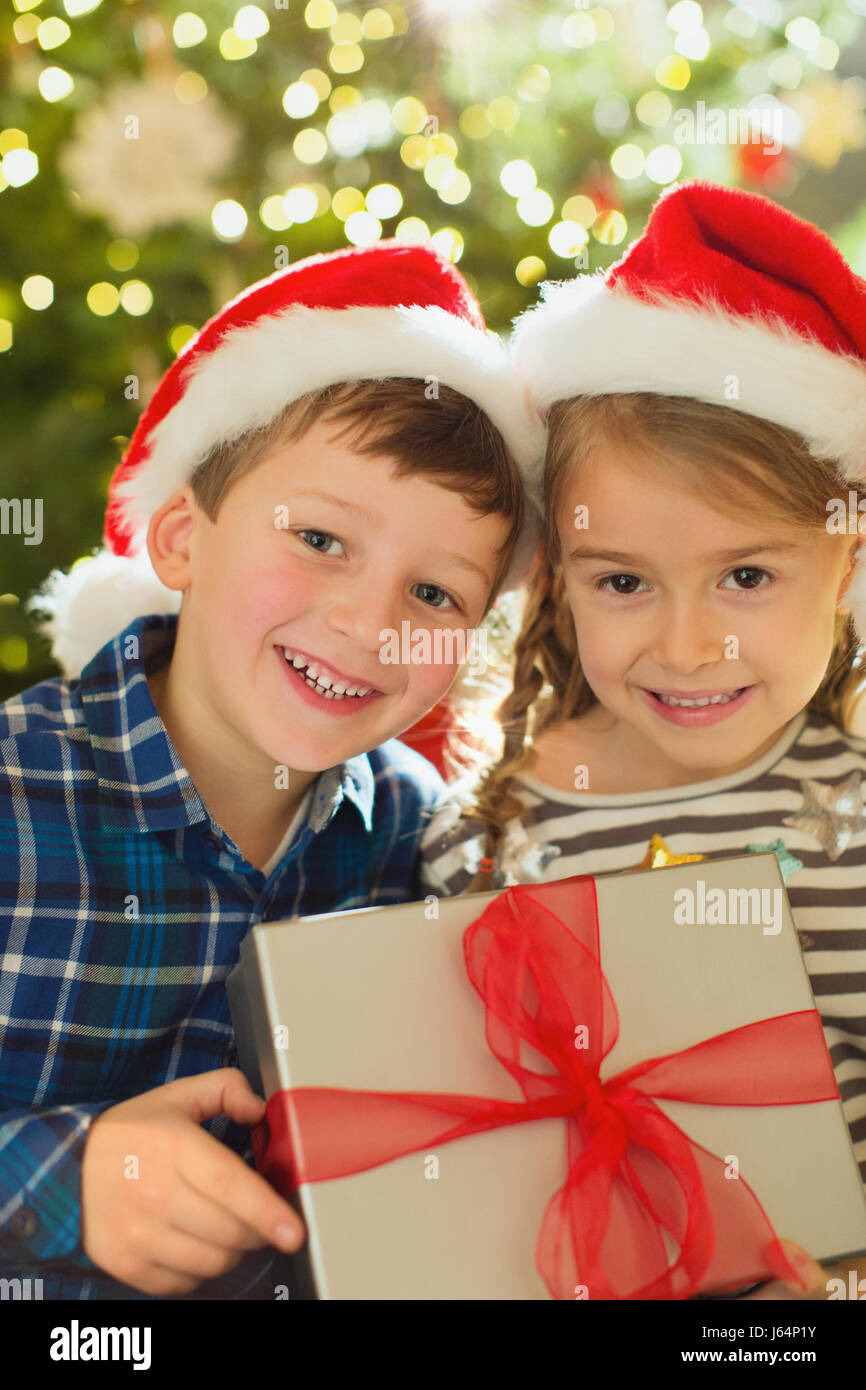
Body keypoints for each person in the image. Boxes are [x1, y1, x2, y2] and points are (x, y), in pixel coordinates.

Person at [0, 240, 544, 1300]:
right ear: (180, 540)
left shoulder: (422, 846)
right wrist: (68, 1178)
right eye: (322, 539)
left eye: (435, 595)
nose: (367, 621)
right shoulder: (16, 800)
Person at [420, 181, 866, 1299]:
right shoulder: (482, 835)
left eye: (746, 576)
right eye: (622, 580)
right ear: (555, 584)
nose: (685, 644)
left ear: (845, 566)